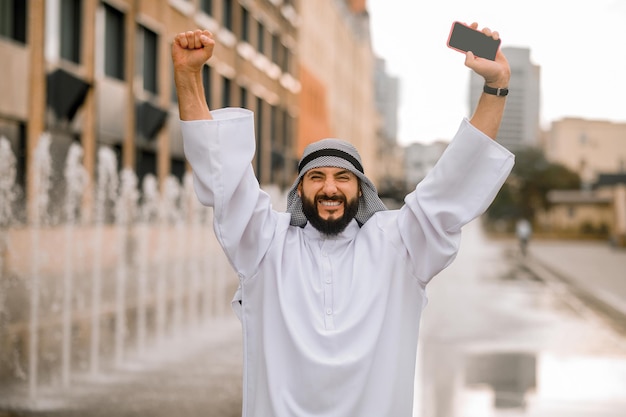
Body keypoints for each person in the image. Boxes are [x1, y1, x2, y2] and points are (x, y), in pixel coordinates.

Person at [172, 23, 514, 417]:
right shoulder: (266, 244)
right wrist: (188, 75)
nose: (329, 188)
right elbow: (223, 175)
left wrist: (496, 87)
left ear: (362, 189)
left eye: (342, 178)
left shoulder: (398, 246)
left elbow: (454, 184)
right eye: (316, 177)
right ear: (299, 190)